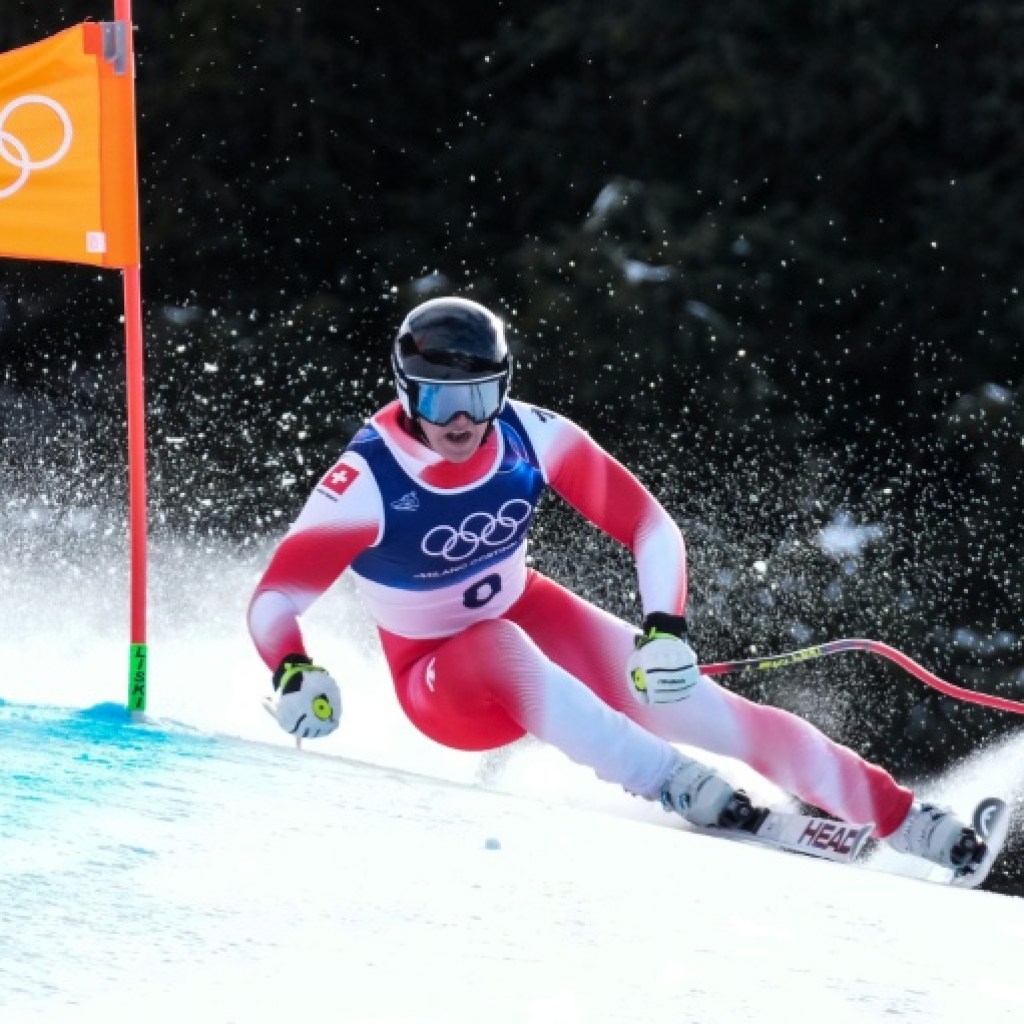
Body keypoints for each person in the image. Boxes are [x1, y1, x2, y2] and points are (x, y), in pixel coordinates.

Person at [247, 295, 986, 876]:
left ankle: (909, 819)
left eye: (480, 395)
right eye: (441, 401)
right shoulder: (366, 484)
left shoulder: (534, 436)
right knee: (500, 643)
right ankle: (671, 780)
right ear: (409, 395)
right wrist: (292, 669)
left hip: (534, 618)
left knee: (701, 703)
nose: (463, 420)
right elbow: (275, 599)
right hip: (440, 680)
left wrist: (666, 626)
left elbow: (650, 525)